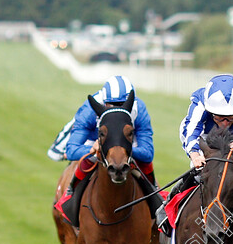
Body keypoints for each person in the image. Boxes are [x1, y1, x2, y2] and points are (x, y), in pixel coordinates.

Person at [156, 74, 233, 239]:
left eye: (231, 117)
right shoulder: (200, 101)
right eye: (220, 117)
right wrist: (194, 154)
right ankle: (166, 207)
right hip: (207, 137)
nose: (225, 122)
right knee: (197, 172)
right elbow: (191, 132)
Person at [55, 75, 163, 227]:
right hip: (98, 142)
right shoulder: (89, 109)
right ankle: (71, 197)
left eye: (122, 104)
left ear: (131, 102)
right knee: (88, 160)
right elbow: (72, 150)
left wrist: (126, 151)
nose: (117, 108)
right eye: (112, 104)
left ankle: (156, 200)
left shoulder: (139, 109)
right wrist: (92, 149)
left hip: (126, 143)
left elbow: (147, 152)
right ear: (104, 102)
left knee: (145, 164)